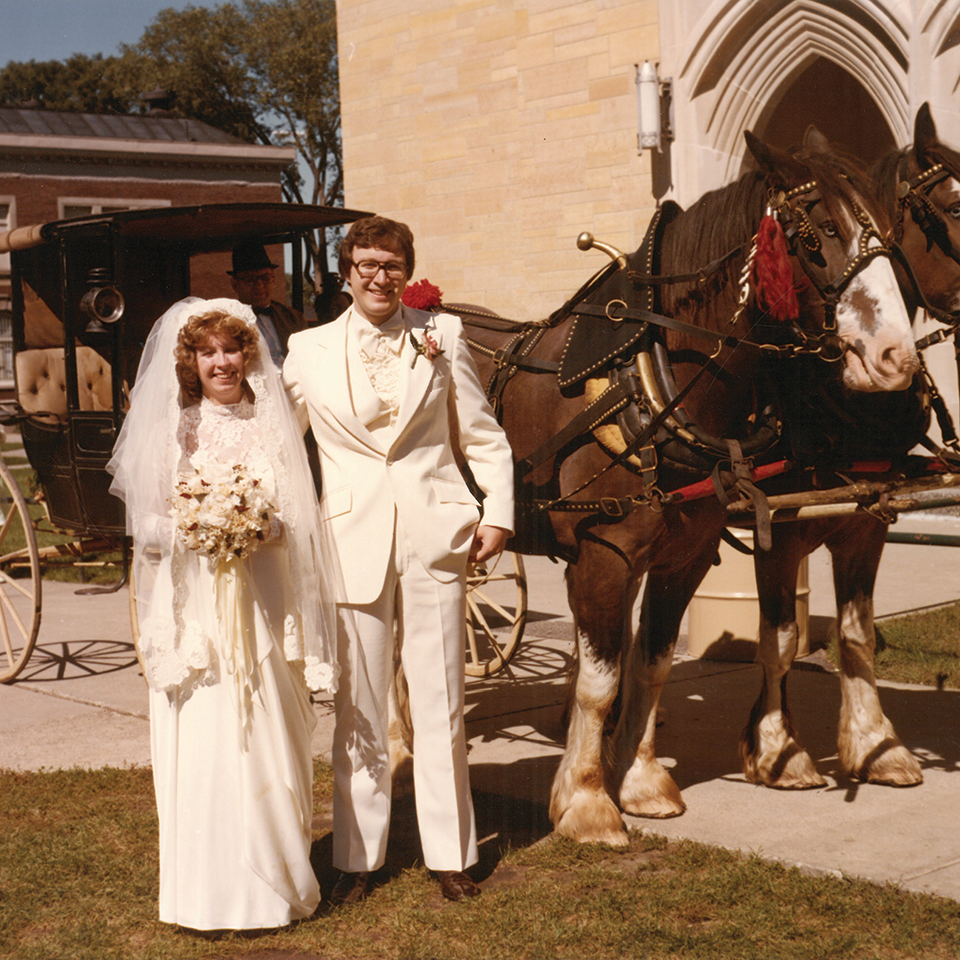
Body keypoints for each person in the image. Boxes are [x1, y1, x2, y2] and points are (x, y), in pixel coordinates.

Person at [283, 216, 514, 904]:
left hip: (435, 535)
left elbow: (482, 434)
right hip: (350, 540)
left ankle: (452, 855)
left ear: (407, 272)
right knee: (358, 707)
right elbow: (280, 443)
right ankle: (357, 859)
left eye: (391, 265)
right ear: (347, 272)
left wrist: (498, 512)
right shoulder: (307, 349)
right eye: (367, 264)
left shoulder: (444, 335)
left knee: (442, 700)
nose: (379, 277)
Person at [107, 296, 340, 931]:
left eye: (231, 348)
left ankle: (273, 885)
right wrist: (199, 528)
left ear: (248, 354)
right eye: (207, 352)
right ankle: (204, 894)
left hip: (264, 596)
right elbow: (145, 525)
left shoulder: (273, 427)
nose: (221, 362)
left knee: (268, 729)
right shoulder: (173, 431)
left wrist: (258, 526)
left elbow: (299, 519)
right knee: (208, 733)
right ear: (190, 362)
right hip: (198, 605)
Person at [229, 240, 307, 366]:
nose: (260, 285)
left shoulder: (293, 318)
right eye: (250, 280)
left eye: (265, 278)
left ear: (274, 279)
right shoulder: (228, 320)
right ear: (235, 285)